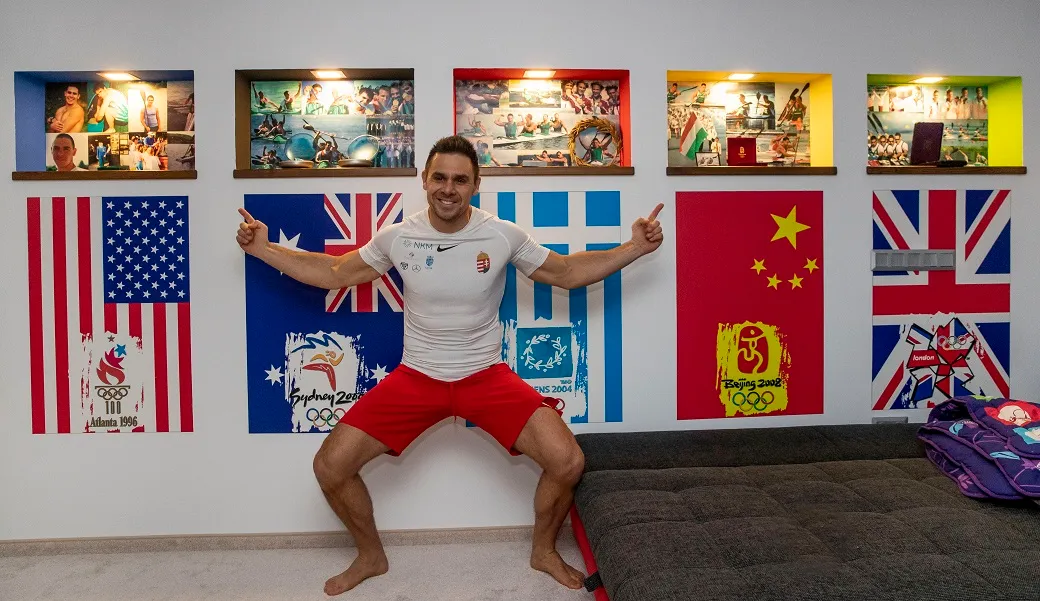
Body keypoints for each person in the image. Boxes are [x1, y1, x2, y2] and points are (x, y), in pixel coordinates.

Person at [235, 135, 664, 597]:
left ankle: (543, 550)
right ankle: (370, 556)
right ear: (424, 180)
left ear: (476, 185)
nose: (448, 188)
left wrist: (634, 247)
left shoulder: (502, 234)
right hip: (418, 377)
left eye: (460, 180)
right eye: (439, 177)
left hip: (485, 375)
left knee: (568, 461)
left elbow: (567, 273)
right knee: (330, 466)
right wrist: (263, 249)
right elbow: (335, 273)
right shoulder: (399, 237)